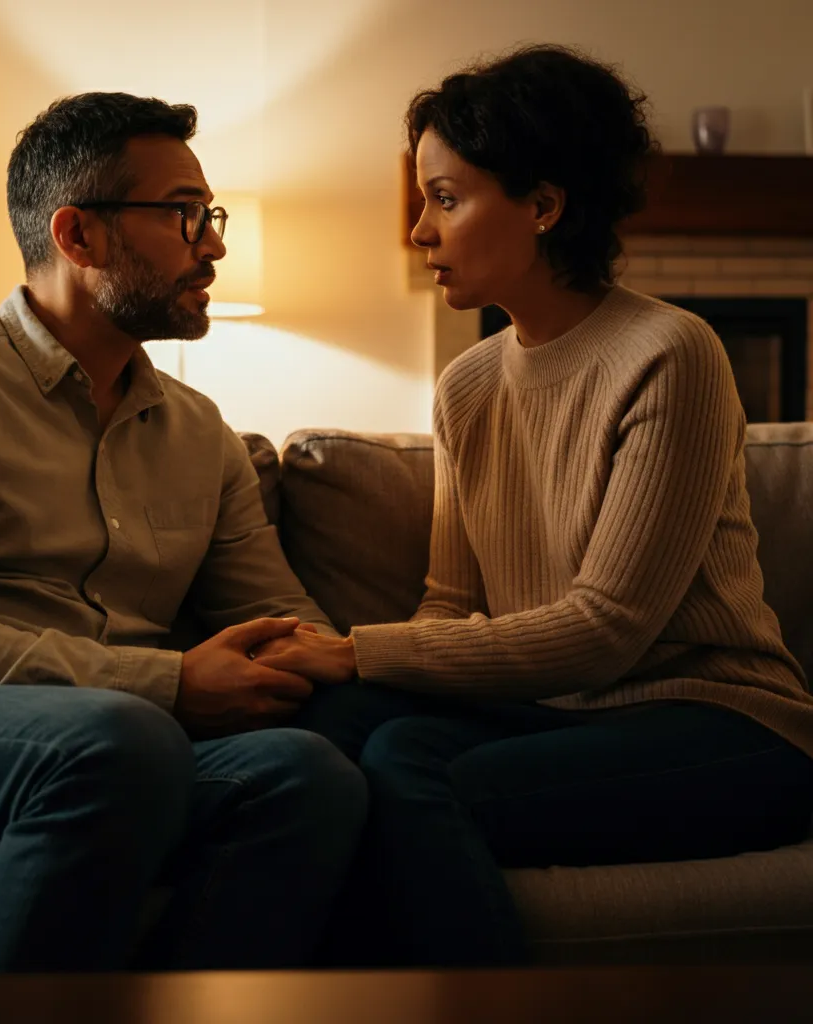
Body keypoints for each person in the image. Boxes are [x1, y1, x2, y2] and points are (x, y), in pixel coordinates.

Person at [257, 45, 813, 966]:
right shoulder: (469, 383)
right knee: (320, 738)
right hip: (559, 709)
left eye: (445, 198)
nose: (418, 233)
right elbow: (448, 603)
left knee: (401, 768)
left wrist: (355, 649)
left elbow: (607, 630)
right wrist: (330, 670)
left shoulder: (672, 354)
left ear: (545, 206)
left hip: (723, 721)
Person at [0, 92, 366, 974]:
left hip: (110, 763)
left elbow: (281, 621)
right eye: (183, 215)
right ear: (77, 235)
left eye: (207, 216)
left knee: (305, 778)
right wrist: (167, 683)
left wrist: (368, 658)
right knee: (119, 740)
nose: (213, 243)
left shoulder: (200, 433)